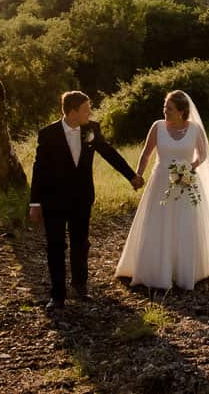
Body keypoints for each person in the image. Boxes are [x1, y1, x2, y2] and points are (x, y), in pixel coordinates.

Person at [115, 89, 209, 289]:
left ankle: (184, 270)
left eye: (169, 108)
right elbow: (146, 154)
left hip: (186, 182)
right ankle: (155, 270)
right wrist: (139, 174)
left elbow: (203, 154)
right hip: (160, 182)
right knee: (157, 222)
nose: (165, 111)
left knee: (185, 223)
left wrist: (189, 168)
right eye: (164, 107)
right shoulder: (157, 127)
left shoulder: (194, 130)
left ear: (182, 111)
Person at [29, 90, 143, 310]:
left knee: (80, 243)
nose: (89, 113)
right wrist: (35, 203)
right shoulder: (48, 134)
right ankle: (58, 295)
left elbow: (108, 152)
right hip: (54, 201)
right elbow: (39, 169)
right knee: (55, 246)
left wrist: (131, 176)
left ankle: (80, 285)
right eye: (86, 110)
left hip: (82, 198)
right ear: (72, 112)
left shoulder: (91, 129)